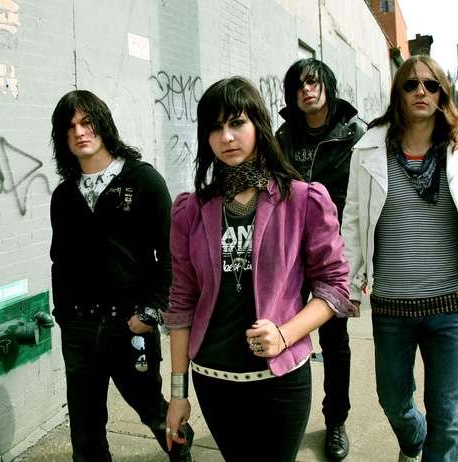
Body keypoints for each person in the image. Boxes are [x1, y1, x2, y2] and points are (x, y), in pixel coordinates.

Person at [163, 77, 357, 462]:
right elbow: (181, 303)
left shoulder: (302, 200)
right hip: (214, 380)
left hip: (280, 380)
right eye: (215, 128)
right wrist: (178, 393)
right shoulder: (190, 211)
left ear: (259, 127)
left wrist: (285, 334)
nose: (227, 137)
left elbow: (335, 287)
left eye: (237, 123)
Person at [342, 56, 458, 462]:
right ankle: (414, 439)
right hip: (391, 307)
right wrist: (350, 285)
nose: (421, 92)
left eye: (431, 85)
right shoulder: (370, 147)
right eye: (411, 85)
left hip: (449, 305)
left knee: (448, 418)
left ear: (442, 93)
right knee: (393, 401)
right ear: (398, 93)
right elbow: (353, 219)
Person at [49, 90, 192, 461]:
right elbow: (59, 260)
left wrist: (151, 311)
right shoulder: (64, 195)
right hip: (80, 327)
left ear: (103, 125)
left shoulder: (142, 179)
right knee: (85, 425)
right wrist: (64, 317)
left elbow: (172, 255)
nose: (80, 132)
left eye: (87, 122)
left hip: (129, 324)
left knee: (151, 409)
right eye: (70, 127)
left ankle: (181, 450)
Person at [275, 58, 366, 461]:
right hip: (290, 254)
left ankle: (335, 421)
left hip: (333, 254)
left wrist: (361, 265)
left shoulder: (355, 136)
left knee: (334, 341)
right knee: (281, 333)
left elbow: (366, 203)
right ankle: (281, 418)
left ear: (327, 86)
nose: (307, 90)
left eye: (313, 82)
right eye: (299, 86)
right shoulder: (283, 137)